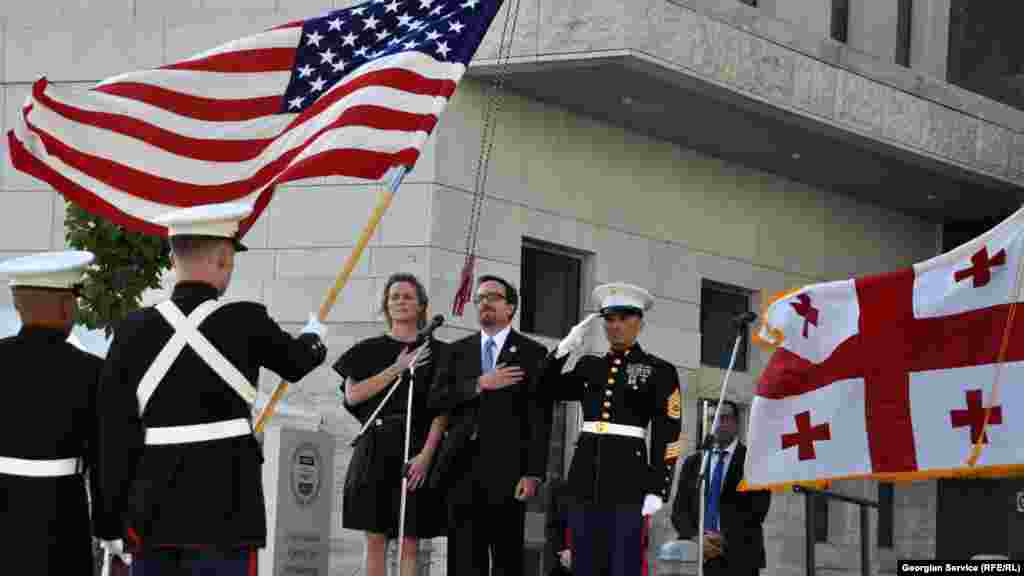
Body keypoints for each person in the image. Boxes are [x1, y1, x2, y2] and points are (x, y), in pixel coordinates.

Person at [93, 202, 328, 575]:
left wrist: (108, 521)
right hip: (227, 511)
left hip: (153, 512)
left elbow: (111, 434)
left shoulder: (132, 330)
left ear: (173, 260)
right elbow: (296, 363)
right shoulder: (247, 320)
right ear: (223, 259)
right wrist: (315, 337)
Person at [544, 282, 682, 576]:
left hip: (629, 482)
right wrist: (564, 349)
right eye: (609, 319)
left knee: (624, 565)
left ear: (639, 322)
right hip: (584, 477)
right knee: (584, 564)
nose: (616, 326)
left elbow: (668, 432)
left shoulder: (659, 370)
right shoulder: (589, 366)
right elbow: (544, 388)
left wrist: (659, 487)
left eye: (624, 318)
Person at [427, 274, 550, 575]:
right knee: (464, 560)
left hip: (508, 471)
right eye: (479, 299)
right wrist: (479, 384)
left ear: (510, 307)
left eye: (492, 297)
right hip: (461, 469)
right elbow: (436, 401)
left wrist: (534, 472)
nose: (484, 304)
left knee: (507, 558)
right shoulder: (456, 351)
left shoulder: (532, 353)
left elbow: (539, 417)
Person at [333, 272, 447, 576]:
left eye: (408, 296)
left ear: (421, 305)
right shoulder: (367, 349)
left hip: (416, 447)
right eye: (394, 296)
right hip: (375, 446)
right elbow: (354, 395)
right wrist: (397, 368)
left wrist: (426, 455)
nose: (400, 301)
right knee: (375, 539)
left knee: (410, 541)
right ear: (386, 304)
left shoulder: (439, 353)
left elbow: (442, 410)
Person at [0, 250, 104, 575]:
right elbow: (106, 457)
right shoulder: (92, 371)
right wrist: (108, 524)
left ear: (18, 305)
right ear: (66, 306)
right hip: (61, 512)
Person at [670, 400, 771, 576]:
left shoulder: (753, 463)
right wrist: (697, 538)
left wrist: (720, 539)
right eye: (712, 418)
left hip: (739, 558)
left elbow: (758, 511)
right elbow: (679, 512)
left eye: (723, 418)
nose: (717, 423)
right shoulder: (694, 463)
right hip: (698, 557)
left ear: (736, 423)